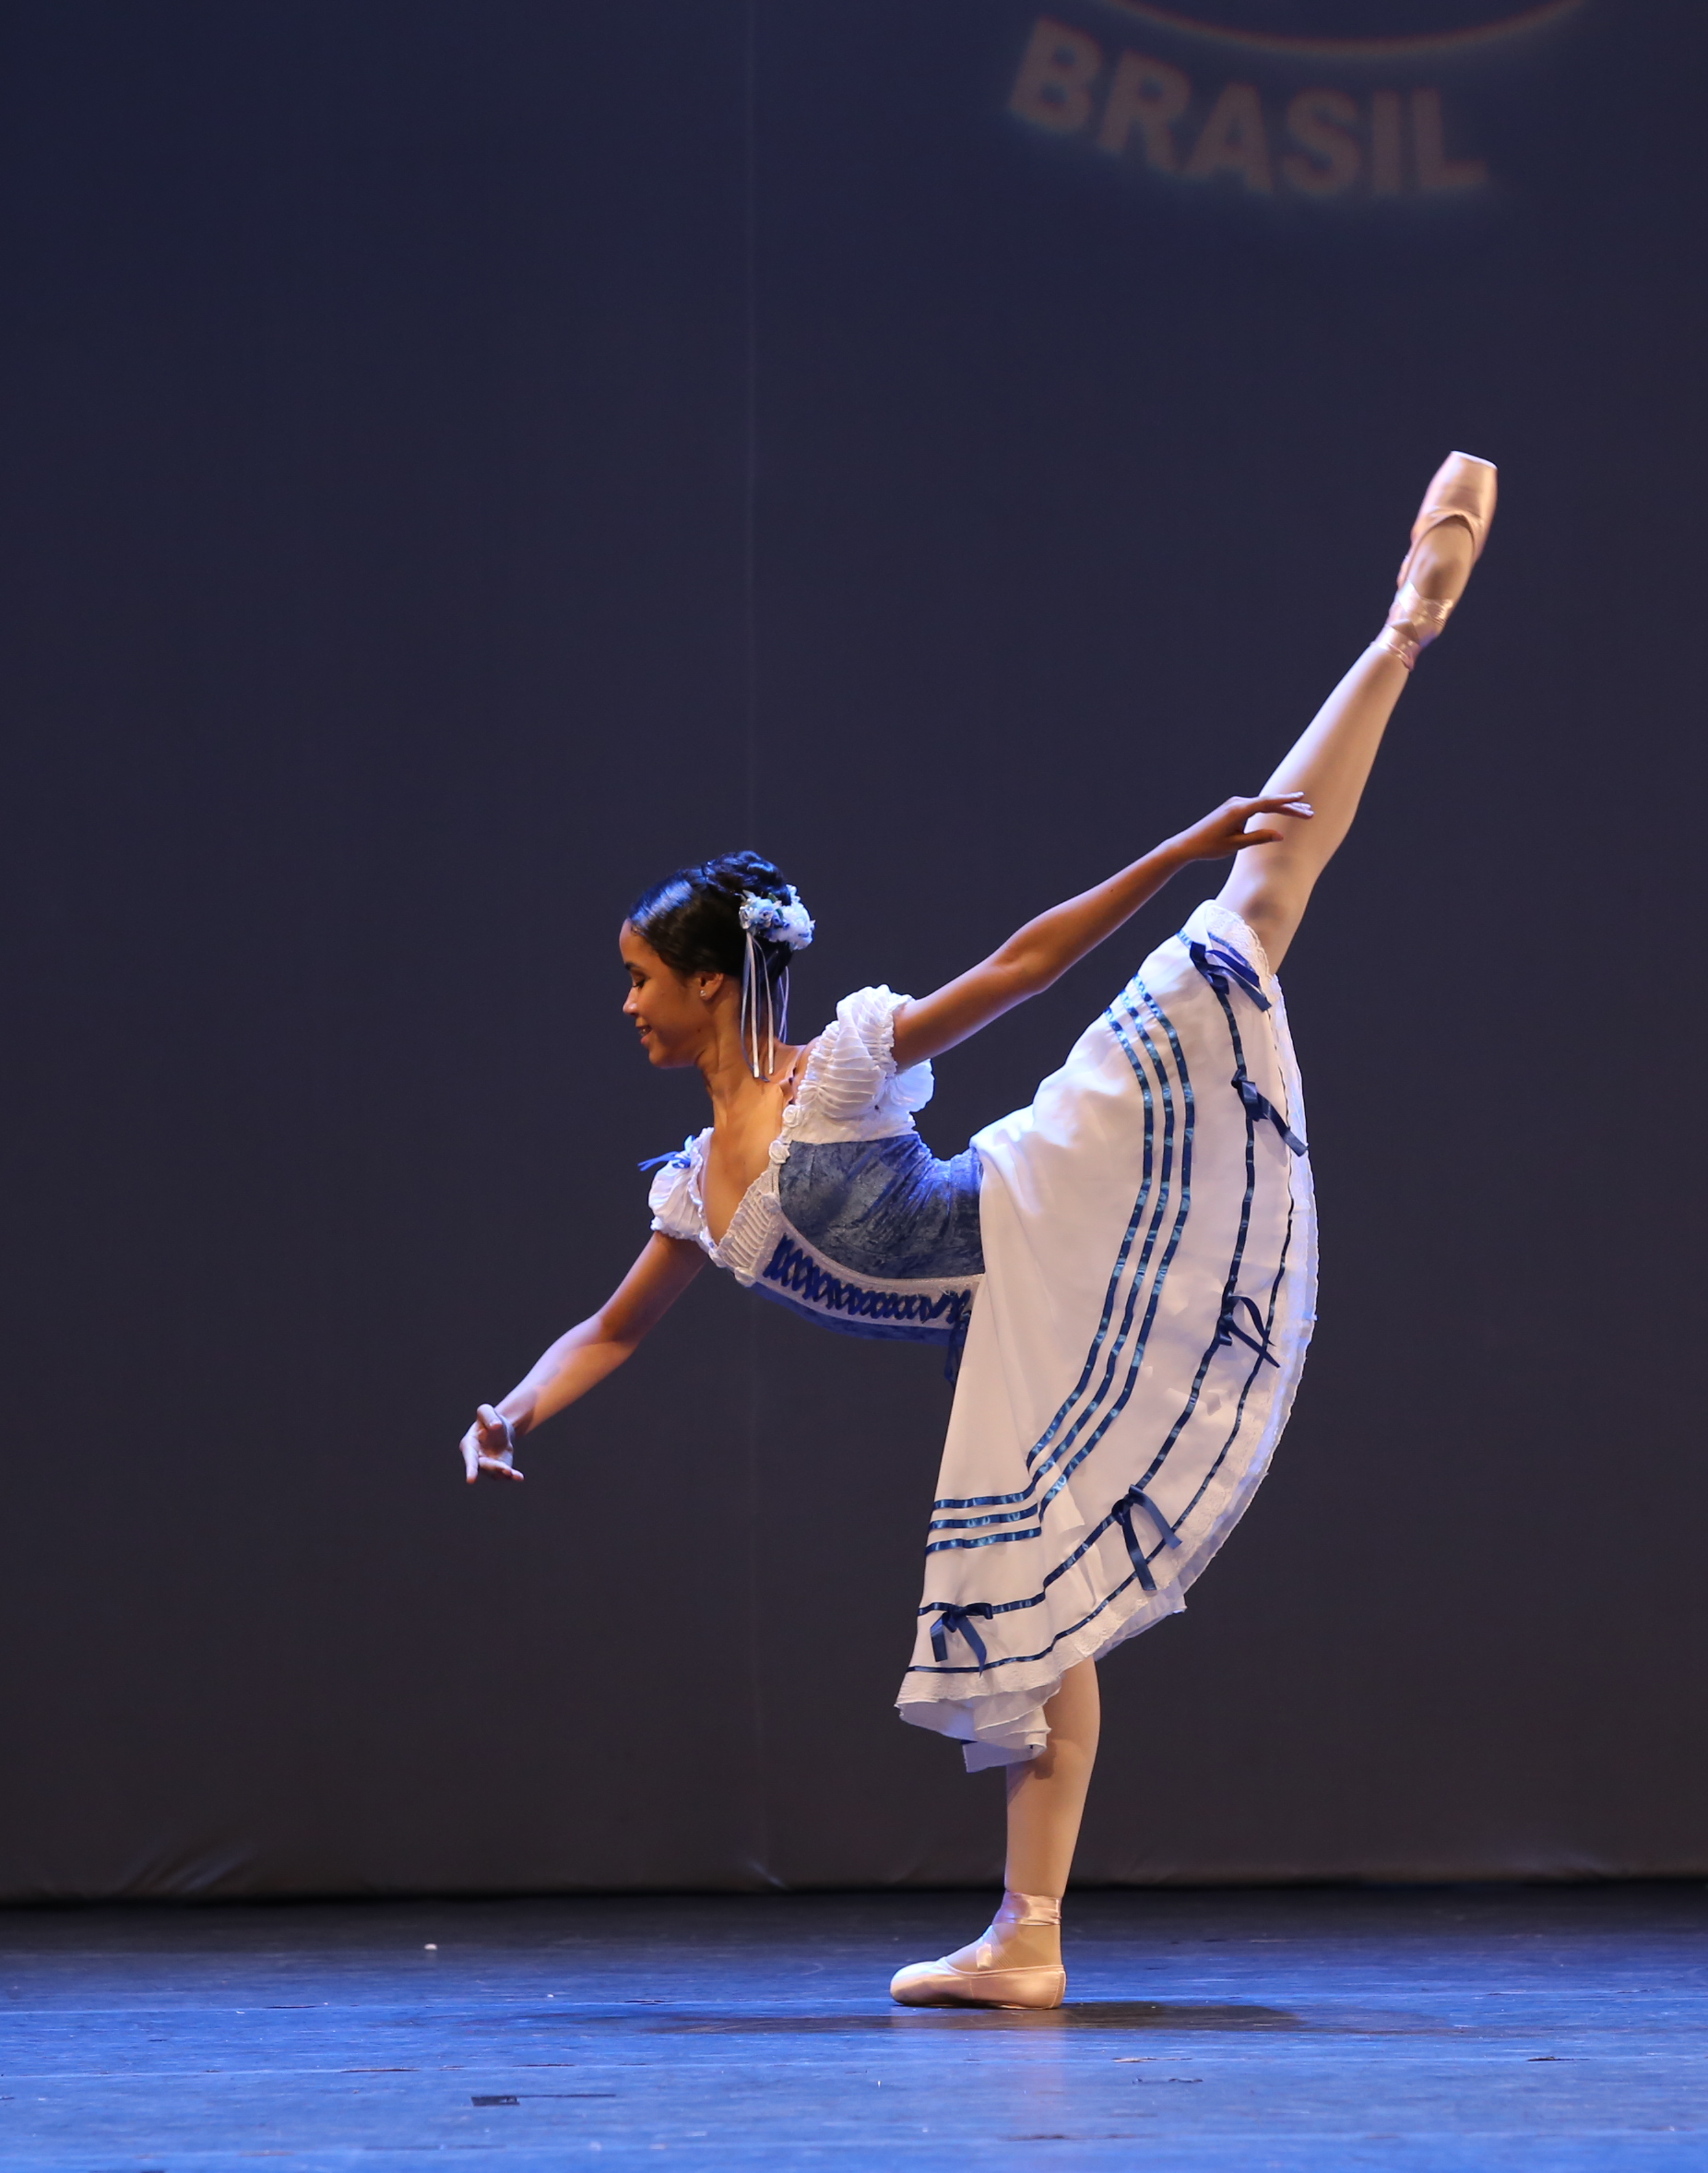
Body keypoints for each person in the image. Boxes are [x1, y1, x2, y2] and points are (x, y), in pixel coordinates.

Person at [461, 453, 1498, 2008]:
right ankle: (1029, 1937)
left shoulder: (838, 1070)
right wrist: (513, 1410)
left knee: (1242, 918)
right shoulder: (697, 1186)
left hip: (1035, 1210)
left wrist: (1174, 851)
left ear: (712, 986)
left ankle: (1404, 627)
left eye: (641, 980)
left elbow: (1017, 970)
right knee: (1034, 1606)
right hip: (1001, 1322)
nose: (628, 1005)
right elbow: (611, 1328)